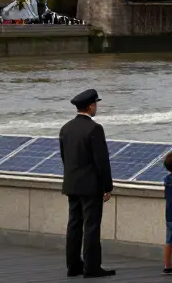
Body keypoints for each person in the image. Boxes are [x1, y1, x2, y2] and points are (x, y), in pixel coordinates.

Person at [59, 89, 115, 278]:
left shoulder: (66, 128)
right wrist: (107, 187)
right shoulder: (95, 129)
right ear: (91, 106)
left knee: (74, 224)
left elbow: (64, 158)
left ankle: (73, 265)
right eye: (95, 104)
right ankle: (92, 267)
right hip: (91, 187)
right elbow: (101, 161)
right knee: (91, 226)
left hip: (71, 184)